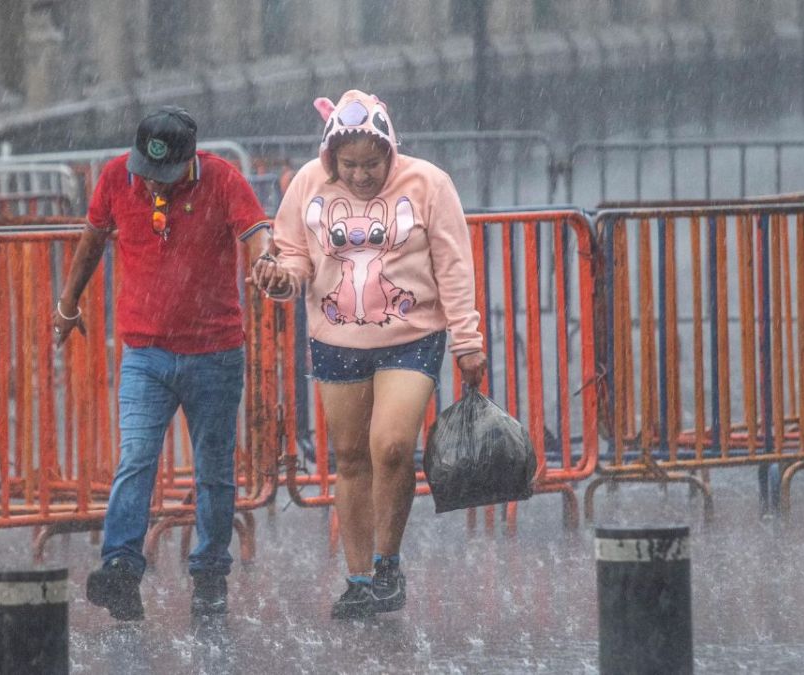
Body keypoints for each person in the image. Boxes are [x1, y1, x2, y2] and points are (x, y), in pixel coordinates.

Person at [249, 89, 487, 618]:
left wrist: (467, 341)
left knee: (393, 445)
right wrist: (277, 277)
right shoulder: (309, 183)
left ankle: (388, 563)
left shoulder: (428, 184)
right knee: (352, 459)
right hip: (335, 342)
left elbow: (454, 264)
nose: (360, 176)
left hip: (412, 336)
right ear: (331, 157)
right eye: (349, 165)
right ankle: (359, 580)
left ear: (390, 152)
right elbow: (293, 256)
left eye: (371, 164)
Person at [53, 106, 271, 620]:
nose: (153, 186)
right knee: (136, 458)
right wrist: (68, 304)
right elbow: (91, 241)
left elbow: (255, 230)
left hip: (215, 353)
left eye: (165, 177)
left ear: (189, 160)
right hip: (144, 353)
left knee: (214, 471)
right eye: (147, 175)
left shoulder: (222, 179)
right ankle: (122, 568)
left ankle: (211, 573)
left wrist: (267, 263)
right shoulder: (115, 177)